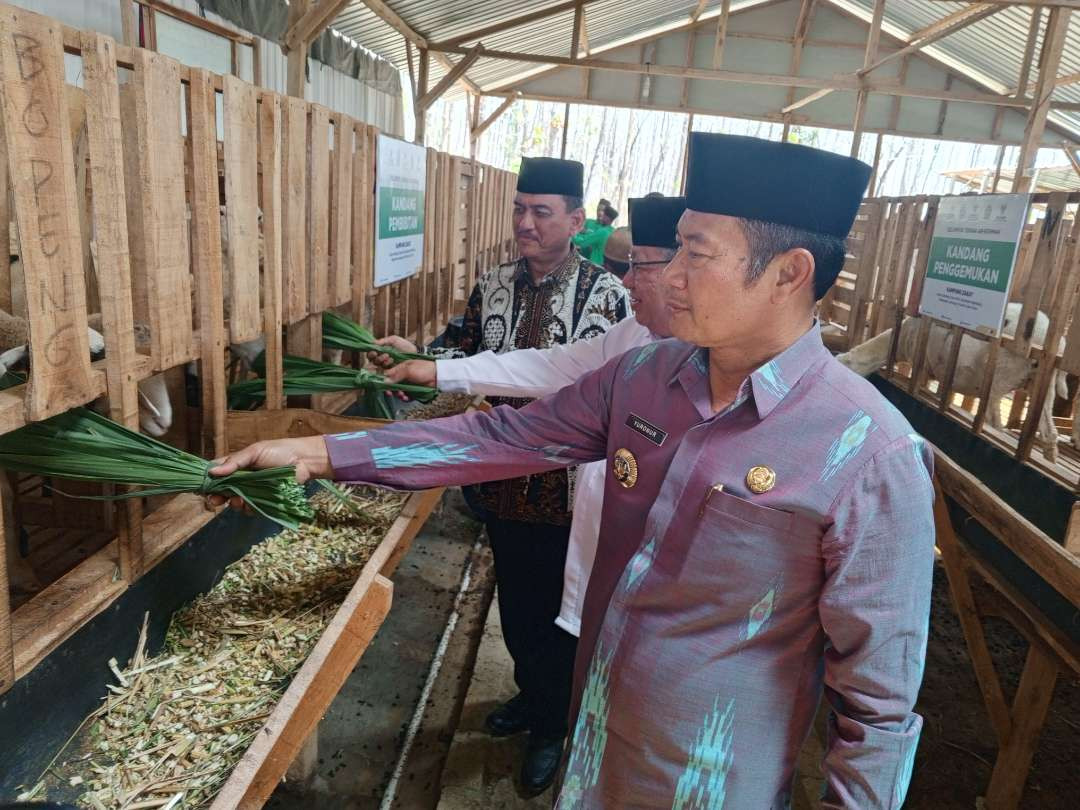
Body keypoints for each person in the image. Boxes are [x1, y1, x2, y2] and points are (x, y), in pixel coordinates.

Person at [211, 133, 935, 808]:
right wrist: (326, 452)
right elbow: (505, 435)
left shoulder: (870, 452)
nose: (666, 277)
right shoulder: (647, 374)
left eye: (693, 254)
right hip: (594, 739)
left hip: (708, 779)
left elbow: (877, 711)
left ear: (788, 273)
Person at [365, 155, 631, 794]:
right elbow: (466, 350)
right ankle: (528, 693)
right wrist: (420, 358)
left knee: (559, 612)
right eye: (520, 208)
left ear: (574, 218)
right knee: (514, 603)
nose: (526, 223)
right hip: (499, 480)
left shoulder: (610, 296)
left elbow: (612, 387)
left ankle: (551, 723)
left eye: (542, 212)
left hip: (569, 489)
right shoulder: (495, 281)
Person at [381, 195, 683, 651]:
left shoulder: (611, 298)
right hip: (510, 482)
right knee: (531, 614)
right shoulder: (634, 334)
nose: (626, 279)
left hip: (572, 503)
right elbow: (545, 365)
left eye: (639, 265)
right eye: (519, 209)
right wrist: (436, 368)